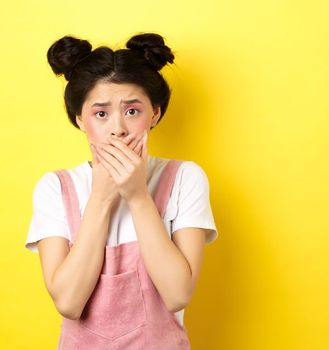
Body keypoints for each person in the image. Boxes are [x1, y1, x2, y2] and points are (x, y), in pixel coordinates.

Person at [24, 33, 219, 348]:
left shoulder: (184, 178)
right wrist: (102, 196)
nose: (118, 128)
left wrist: (138, 195)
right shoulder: (56, 188)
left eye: (132, 111)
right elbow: (69, 303)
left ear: (154, 113)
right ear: (80, 119)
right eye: (101, 114)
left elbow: (177, 294)